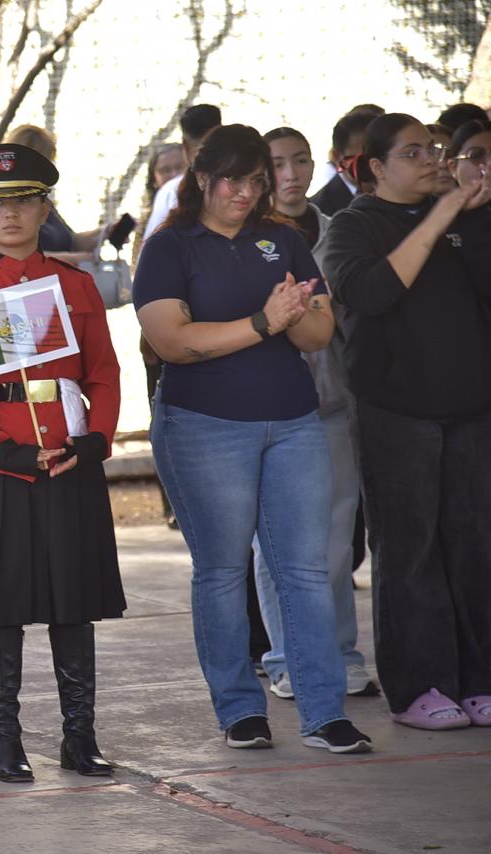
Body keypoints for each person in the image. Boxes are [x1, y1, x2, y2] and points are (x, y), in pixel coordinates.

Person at [135, 124, 372, 754]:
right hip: (203, 427)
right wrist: (266, 320)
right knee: (220, 570)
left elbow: (318, 333)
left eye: (256, 181)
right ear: (202, 179)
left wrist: (294, 317)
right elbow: (173, 342)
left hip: (293, 421)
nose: (246, 192)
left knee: (307, 569)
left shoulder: (283, 239)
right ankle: (240, 709)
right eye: (233, 180)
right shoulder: (169, 247)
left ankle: (324, 712)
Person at [0, 144, 125, 783]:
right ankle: (8, 743)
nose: (11, 213)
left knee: (72, 602)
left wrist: (95, 440)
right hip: (2, 464)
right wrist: (5, 451)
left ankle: (81, 739)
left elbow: (103, 372)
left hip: (71, 457)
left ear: (45, 206)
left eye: (24, 200)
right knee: (1, 605)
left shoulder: (74, 286)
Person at [321, 113, 491, 730]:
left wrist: (467, 214)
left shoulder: (465, 216)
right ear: (376, 167)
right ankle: (419, 686)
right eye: (414, 152)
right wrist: (443, 215)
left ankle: (477, 680)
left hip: (471, 409)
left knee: (473, 547)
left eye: (435, 150)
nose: (431, 161)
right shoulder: (353, 225)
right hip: (397, 411)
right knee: (410, 552)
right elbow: (369, 293)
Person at [255, 127, 376, 699]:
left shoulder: (337, 231)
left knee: (334, 543)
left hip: (331, 404)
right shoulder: (242, 240)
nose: (292, 174)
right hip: (265, 409)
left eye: (301, 161)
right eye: (278, 163)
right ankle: (284, 657)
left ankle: (341, 652)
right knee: (275, 540)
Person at [133, 143, 186, 528]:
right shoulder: (149, 222)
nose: (171, 175)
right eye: (164, 169)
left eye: (177, 167)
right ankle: (171, 502)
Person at [3, 124, 119, 265]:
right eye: (44, 161)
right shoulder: (1, 202)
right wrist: (74, 260)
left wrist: (104, 232)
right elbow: (13, 256)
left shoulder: (42, 200)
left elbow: (71, 241)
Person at [142, 104, 222, 240]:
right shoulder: (246, 184)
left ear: (184, 146)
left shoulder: (170, 191)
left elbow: (149, 249)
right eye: (165, 170)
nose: (174, 174)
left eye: (178, 167)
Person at [310, 108, 380, 216]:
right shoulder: (320, 211)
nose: (376, 166)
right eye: (365, 160)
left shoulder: (404, 193)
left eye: (382, 156)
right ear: (337, 157)